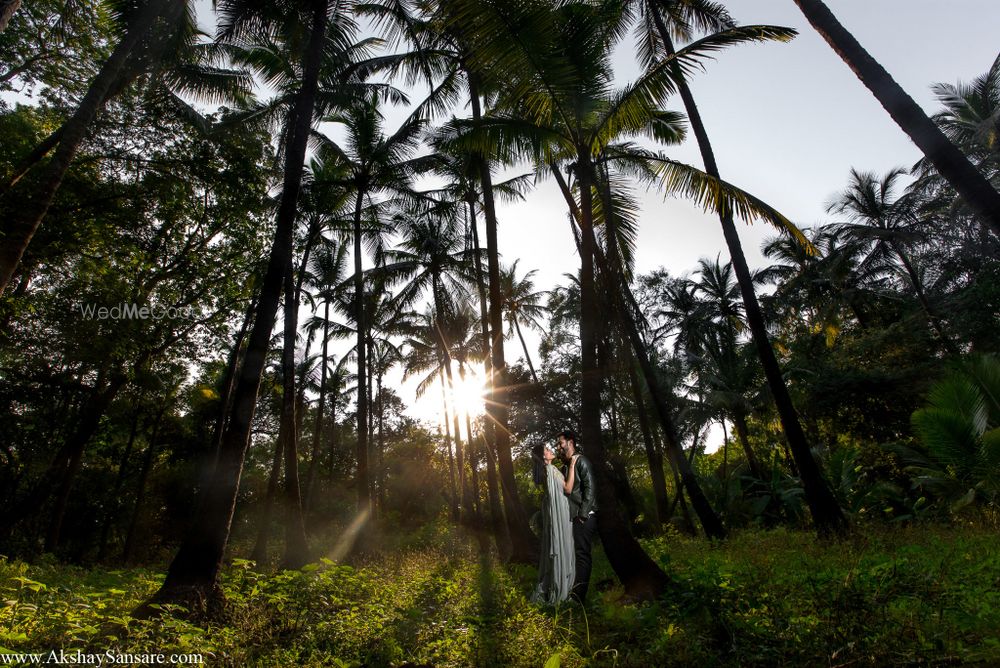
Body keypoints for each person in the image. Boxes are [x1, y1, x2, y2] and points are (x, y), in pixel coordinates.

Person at [529, 442, 575, 604]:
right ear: (543, 456)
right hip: (559, 512)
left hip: (553, 511)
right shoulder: (551, 470)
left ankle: (554, 583)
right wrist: (572, 466)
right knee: (560, 543)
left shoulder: (547, 472)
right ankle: (559, 588)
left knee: (554, 544)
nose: (551, 450)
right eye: (547, 450)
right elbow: (568, 489)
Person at [558, 429, 598, 604]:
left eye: (561, 443)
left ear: (570, 441)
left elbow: (590, 487)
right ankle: (573, 593)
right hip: (574, 517)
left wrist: (582, 514)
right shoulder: (566, 466)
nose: (559, 447)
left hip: (585, 515)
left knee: (582, 555)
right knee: (576, 555)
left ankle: (578, 598)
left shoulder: (581, 461)